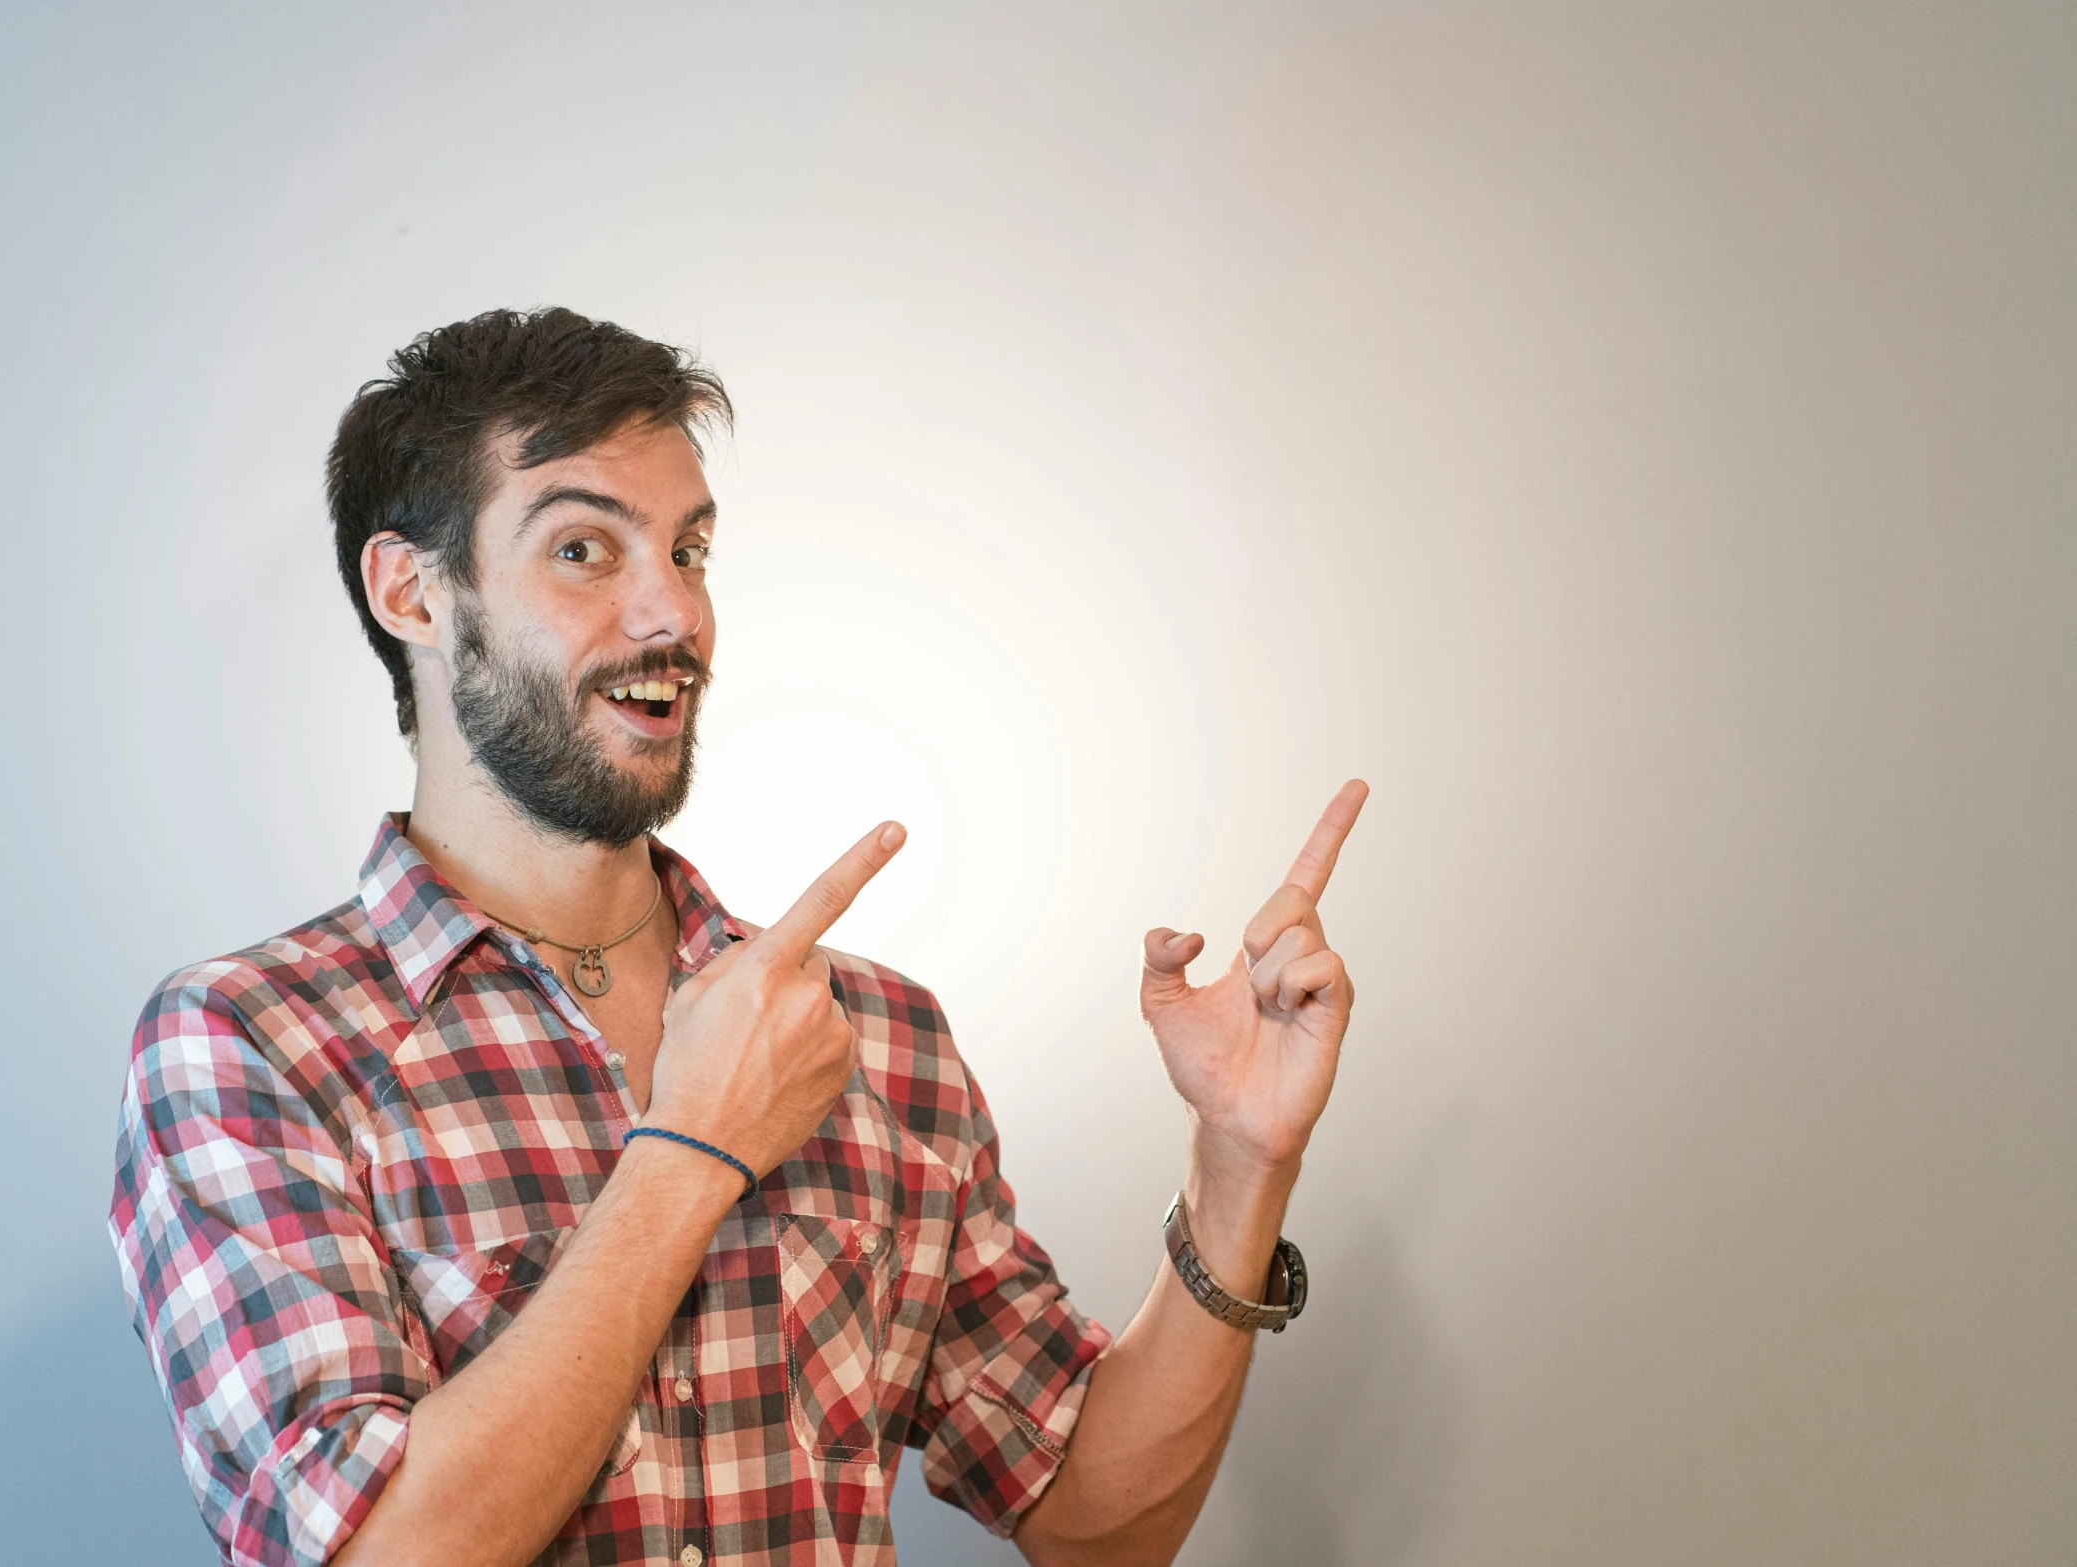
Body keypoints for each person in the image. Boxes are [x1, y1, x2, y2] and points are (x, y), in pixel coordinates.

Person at [108, 306, 1368, 1567]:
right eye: (586, 550)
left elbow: (1100, 1525)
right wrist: (693, 1147)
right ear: (414, 592)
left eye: (689, 549)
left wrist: (1238, 1165)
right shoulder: (248, 1046)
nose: (673, 617)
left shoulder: (871, 1032)